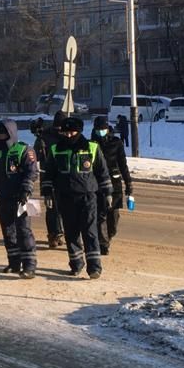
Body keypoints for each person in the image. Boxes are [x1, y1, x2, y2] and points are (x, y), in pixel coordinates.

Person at [44, 115, 112, 279]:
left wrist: (108, 192)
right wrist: (47, 193)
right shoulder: (56, 149)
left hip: (88, 196)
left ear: (79, 131)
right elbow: (49, 175)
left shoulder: (92, 148)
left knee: (90, 232)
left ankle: (94, 267)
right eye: (65, 133)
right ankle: (76, 264)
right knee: (71, 232)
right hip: (65, 197)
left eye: (72, 132)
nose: (68, 136)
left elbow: (102, 172)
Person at [0, 119, 39, 278]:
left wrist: (26, 190)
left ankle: (30, 266)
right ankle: (14, 263)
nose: (0, 137)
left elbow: (32, 173)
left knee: (24, 231)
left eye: (3, 134)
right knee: (8, 232)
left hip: (23, 199)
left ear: (11, 133)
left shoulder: (24, 149)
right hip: (4, 198)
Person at [91, 115, 133, 255]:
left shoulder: (116, 143)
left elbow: (123, 164)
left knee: (113, 216)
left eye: (102, 129)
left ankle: (109, 235)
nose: (100, 132)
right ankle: (103, 243)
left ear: (107, 128)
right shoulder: (90, 144)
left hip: (114, 184)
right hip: (97, 184)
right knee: (100, 215)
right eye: (97, 129)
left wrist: (128, 183)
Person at [31, 110, 65, 249]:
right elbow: (35, 155)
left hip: (59, 177)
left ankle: (57, 234)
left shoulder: (47, 136)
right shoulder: (45, 138)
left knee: (57, 208)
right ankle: (54, 235)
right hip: (51, 178)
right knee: (53, 208)